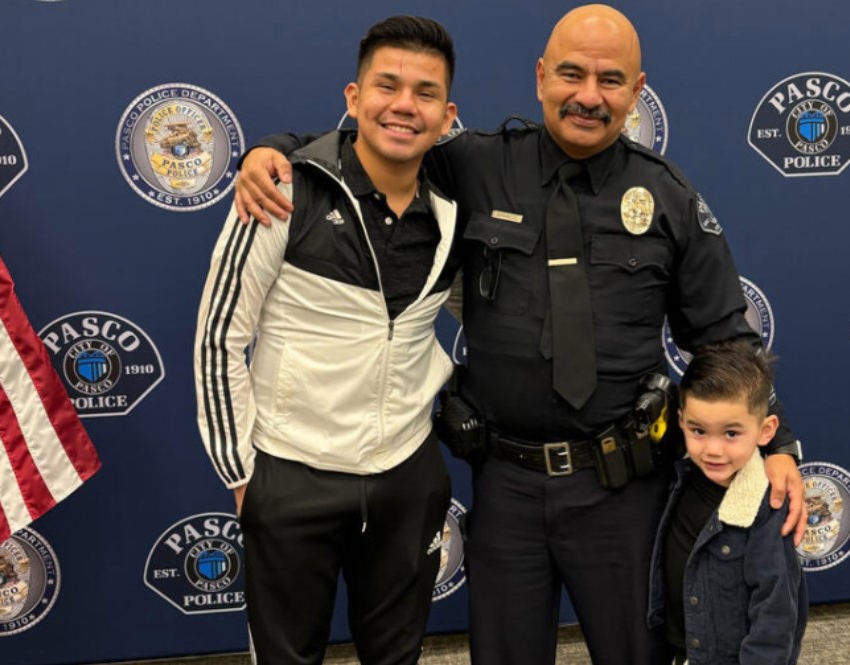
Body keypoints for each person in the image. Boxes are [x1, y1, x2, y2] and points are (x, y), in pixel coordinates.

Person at [232, 5, 807, 663]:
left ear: (637, 90)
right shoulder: (473, 164)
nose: (588, 95)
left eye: (610, 80)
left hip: (622, 491)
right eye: (571, 73)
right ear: (540, 78)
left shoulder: (668, 196)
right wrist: (271, 149)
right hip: (506, 486)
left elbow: (725, 338)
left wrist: (779, 441)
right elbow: (376, 141)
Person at [193, 16, 460, 665]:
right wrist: (243, 474)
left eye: (425, 92)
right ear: (352, 97)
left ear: (447, 114)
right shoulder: (284, 187)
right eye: (386, 85)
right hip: (292, 473)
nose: (403, 105)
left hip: (407, 475)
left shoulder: (460, 203)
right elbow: (218, 337)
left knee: (396, 656)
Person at [648, 340, 807, 665]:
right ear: (681, 421)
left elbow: (775, 617)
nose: (714, 450)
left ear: (766, 431)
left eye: (731, 433)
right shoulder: (679, 478)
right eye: (699, 431)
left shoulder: (767, 509)